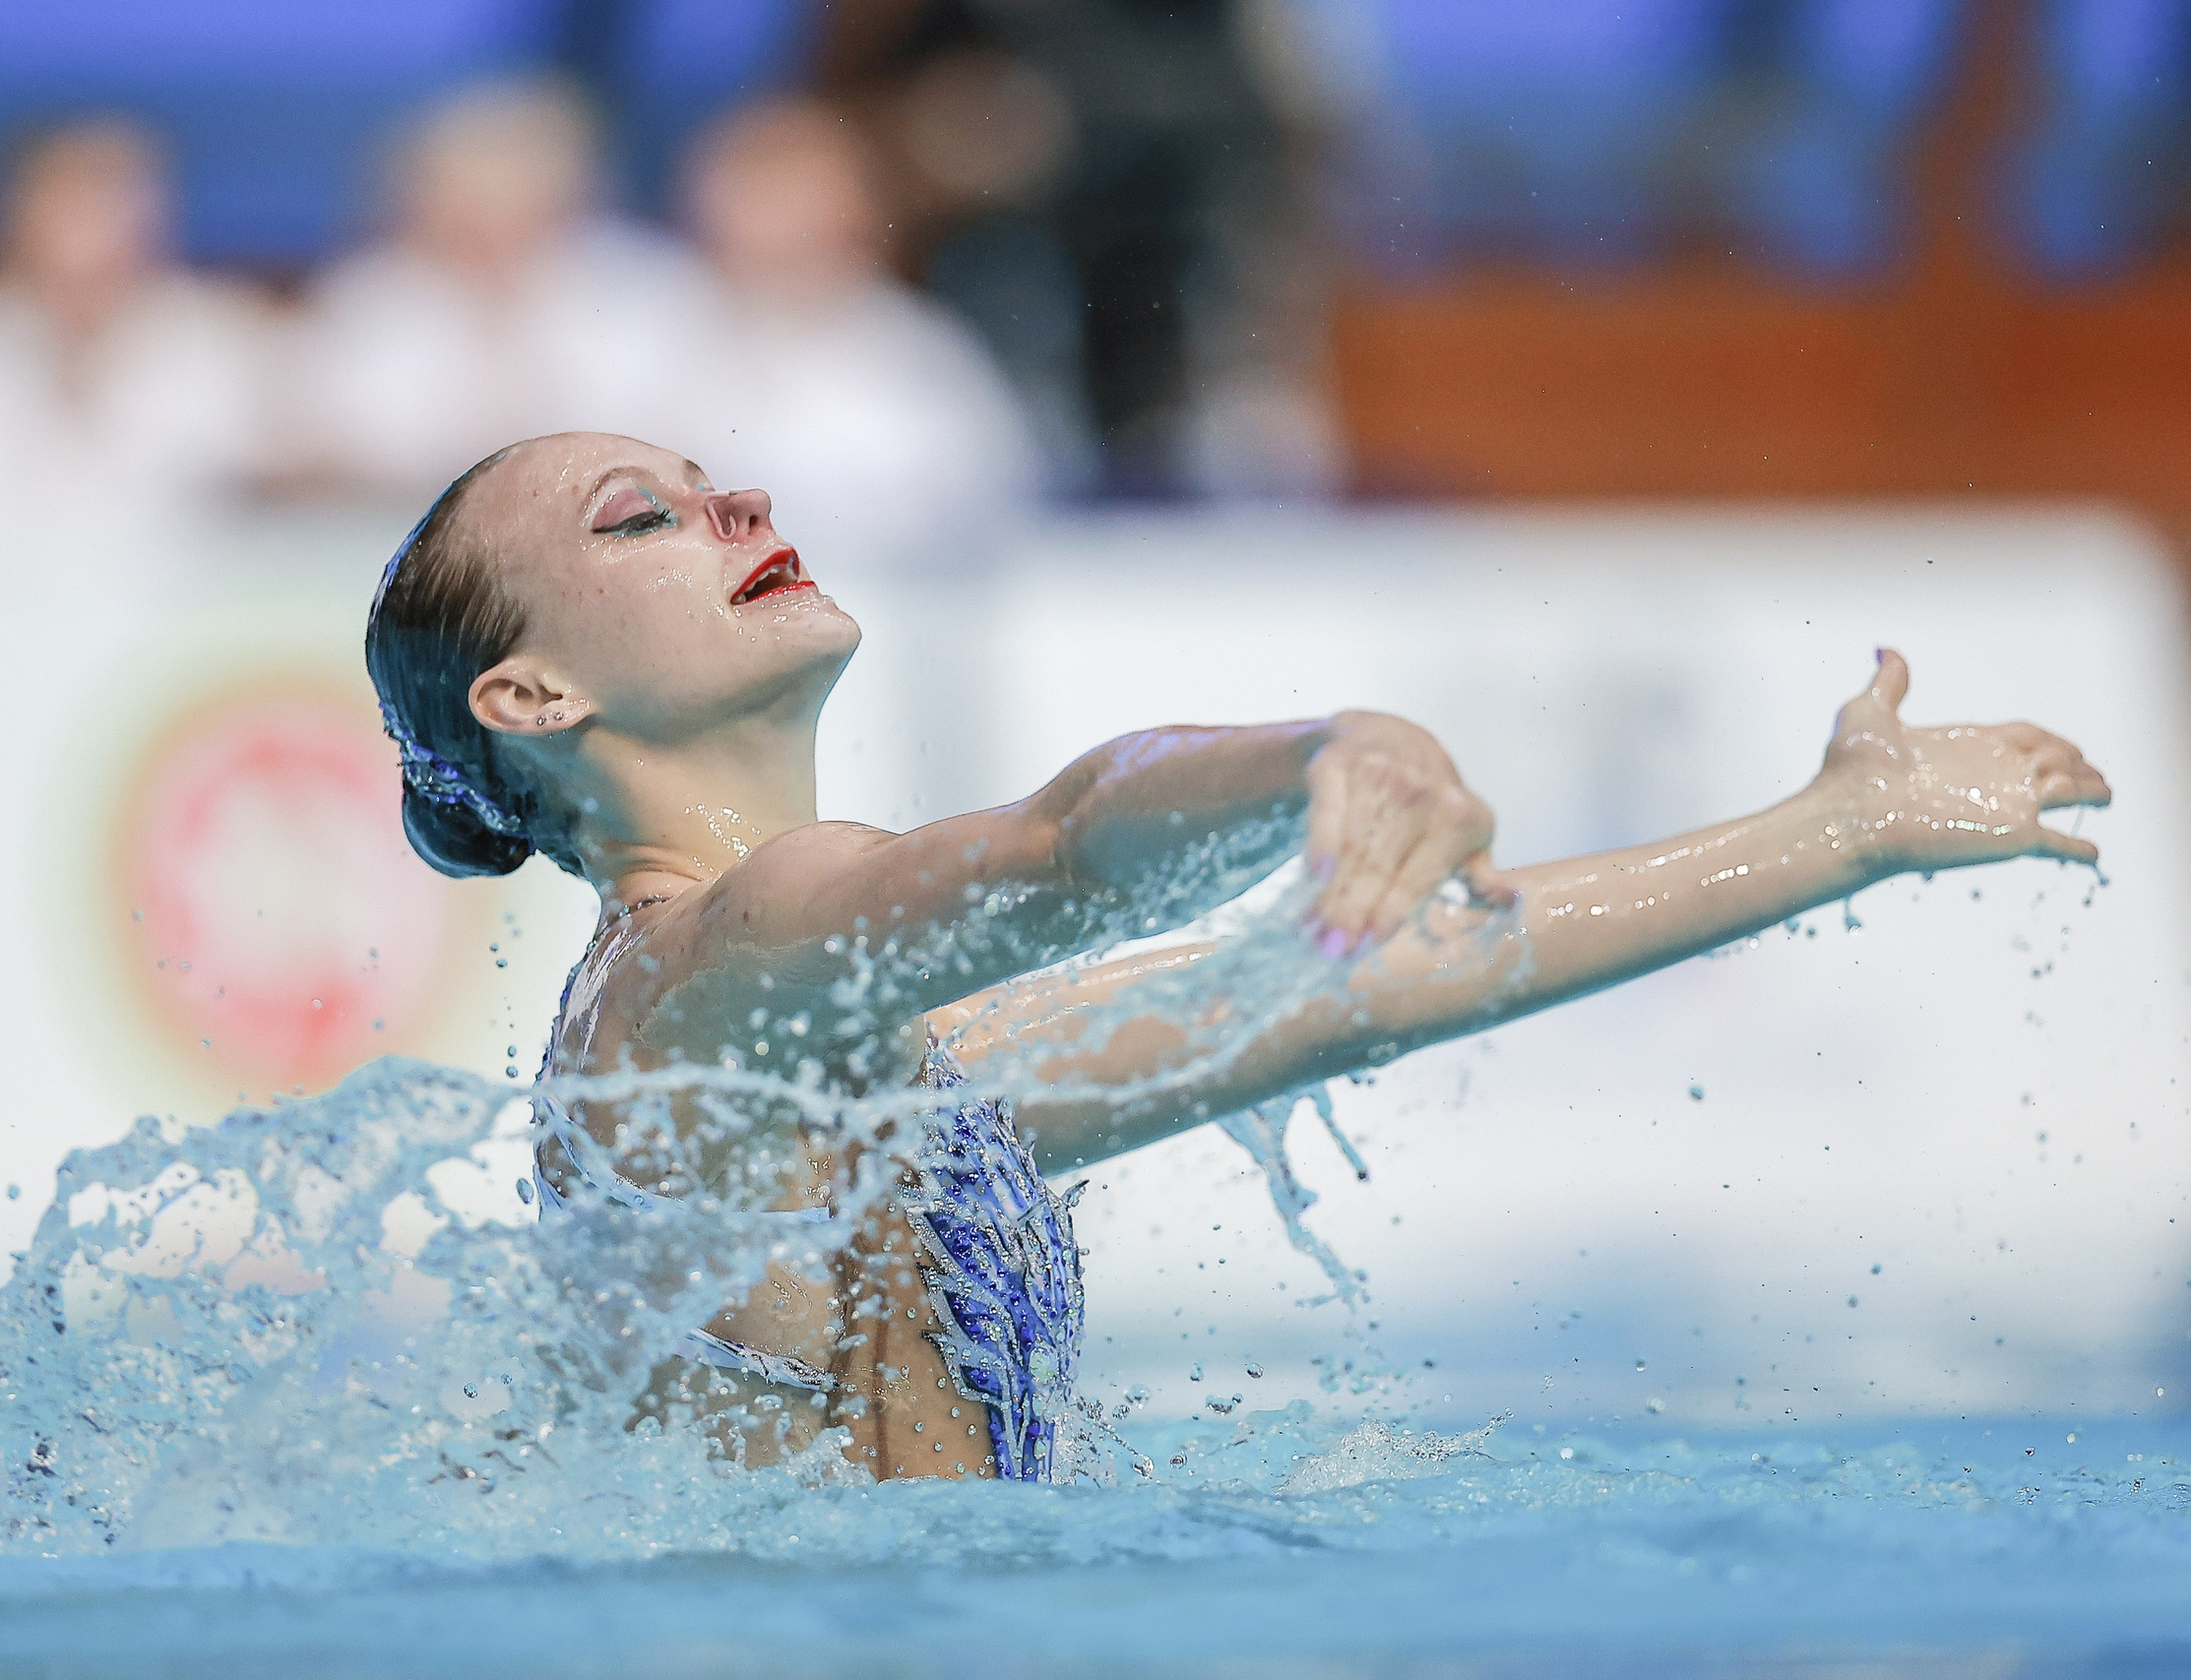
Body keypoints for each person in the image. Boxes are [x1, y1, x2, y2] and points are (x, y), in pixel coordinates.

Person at [362, 431, 2108, 1483]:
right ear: (533, 696)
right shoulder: (721, 955)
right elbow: (1065, 844)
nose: (733, 496)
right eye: (642, 518)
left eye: (709, 480)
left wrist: (1832, 830)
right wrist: (1318, 753)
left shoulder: (789, 1043)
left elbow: (1358, 982)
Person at [293, 82, 715, 493]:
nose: (489, 221)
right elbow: (331, 443)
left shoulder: (646, 285)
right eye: (466, 198)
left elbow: (683, 430)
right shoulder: (367, 295)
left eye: (512, 191)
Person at [667, 99, 1038, 545]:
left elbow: (990, 494)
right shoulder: (659, 334)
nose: (772, 227)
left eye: (792, 199)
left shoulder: (917, 350)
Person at [0, 119, 276, 570]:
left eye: (121, 198)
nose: (100, 226)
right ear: (11, 218)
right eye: (72, 200)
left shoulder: (227, 343)